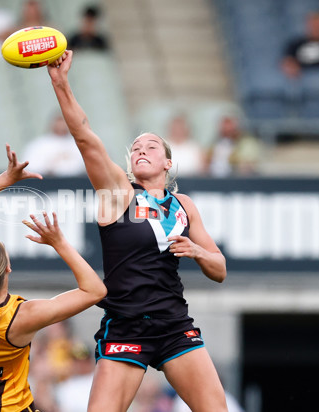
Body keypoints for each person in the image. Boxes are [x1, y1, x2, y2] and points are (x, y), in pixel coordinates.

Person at [48, 50, 228, 412]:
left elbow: (219, 270)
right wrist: (61, 83)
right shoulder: (118, 194)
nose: (141, 150)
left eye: (151, 146)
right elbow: (85, 138)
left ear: (168, 162)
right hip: (127, 326)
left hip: (174, 324)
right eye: (135, 148)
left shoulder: (184, 207)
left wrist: (198, 252)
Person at [0, 144, 106, 412]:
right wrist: (59, 243)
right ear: (8, 268)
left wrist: (5, 178)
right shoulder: (23, 316)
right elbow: (95, 290)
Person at [21, 114, 86, 177]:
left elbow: (82, 167)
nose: (61, 126)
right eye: (59, 122)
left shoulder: (78, 145)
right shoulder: (38, 145)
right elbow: (30, 167)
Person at [53, 342, 96, 412]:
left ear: (90, 361)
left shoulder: (98, 381)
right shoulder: (64, 386)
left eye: (83, 361)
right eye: (76, 361)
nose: (79, 365)